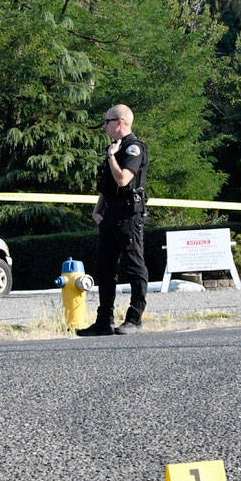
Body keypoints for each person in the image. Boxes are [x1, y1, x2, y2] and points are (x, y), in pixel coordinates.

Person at [77, 104, 149, 336]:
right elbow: (108, 187)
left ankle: (134, 319)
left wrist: (111, 156)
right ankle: (103, 321)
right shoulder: (115, 149)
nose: (104, 126)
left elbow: (123, 180)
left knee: (134, 265)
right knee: (105, 269)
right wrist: (97, 210)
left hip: (128, 216)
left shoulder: (133, 148)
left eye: (107, 122)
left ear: (120, 122)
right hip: (110, 215)